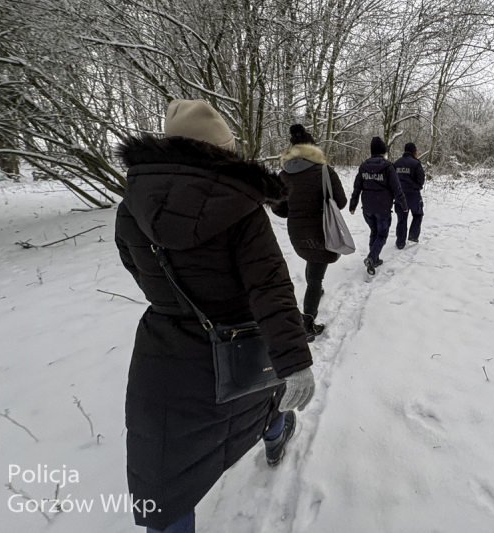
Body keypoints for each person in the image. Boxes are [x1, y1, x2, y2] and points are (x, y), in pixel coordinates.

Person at [114, 99, 315, 533]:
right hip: (240, 337)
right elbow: (271, 288)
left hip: (165, 350)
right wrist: (295, 361)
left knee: (166, 475)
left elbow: (136, 267)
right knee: (264, 390)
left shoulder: (132, 203)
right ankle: (276, 437)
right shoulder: (241, 207)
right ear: (220, 150)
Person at [272, 124, 347, 341]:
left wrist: (297, 208)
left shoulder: (283, 175)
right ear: (313, 150)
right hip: (321, 231)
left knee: (311, 261)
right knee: (315, 277)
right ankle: (307, 324)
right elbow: (340, 202)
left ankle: (316, 292)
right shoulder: (324, 171)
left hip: (297, 233)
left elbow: (279, 209)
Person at [349, 136, 408, 276]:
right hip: (383, 207)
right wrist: (404, 205)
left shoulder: (363, 167)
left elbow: (357, 187)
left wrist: (353, 204)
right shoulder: (388, 167)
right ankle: (372, 257)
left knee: (374, 231)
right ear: (383, 151)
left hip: (367, 207)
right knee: (381, 233)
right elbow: (397, 189)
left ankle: (374, 259)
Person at [393, 142, 426, 249]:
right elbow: (421, 180)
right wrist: (416, 186)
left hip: (399, 195)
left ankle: (400, 242)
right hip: (413, 195)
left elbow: (392, 180)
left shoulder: (396, 163)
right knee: (418, 214)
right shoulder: (416, 163)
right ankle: (413, 236)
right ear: (414, 152)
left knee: (401, 219)